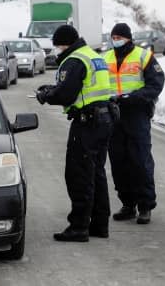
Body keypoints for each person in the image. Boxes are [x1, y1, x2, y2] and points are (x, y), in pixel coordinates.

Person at [35, 25, 114, 242]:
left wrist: (46, 96)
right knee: (96, 173)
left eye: (57, 45)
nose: (57, 50)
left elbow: (66, 94)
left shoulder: (75, 60)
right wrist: (53, 90)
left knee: (79, 174)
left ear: (64, 43)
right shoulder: (93, 56)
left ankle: (78, 227)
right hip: (103, 120)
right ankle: (100, 224)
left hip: (87, 123)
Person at [103, 23, 165, 225]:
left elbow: (156, 83)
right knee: (119, 161)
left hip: (136, 113)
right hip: (114, 115)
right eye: (114, 37)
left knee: (140, 160)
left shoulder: (143, 56)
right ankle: (128, 204)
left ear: (128, 38)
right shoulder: (106, 58)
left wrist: (135, 97)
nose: (116, 40)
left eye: (120, 37)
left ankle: (145, 205)